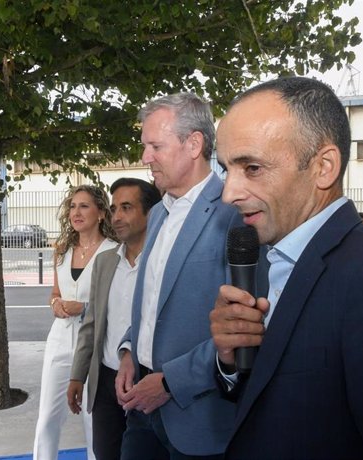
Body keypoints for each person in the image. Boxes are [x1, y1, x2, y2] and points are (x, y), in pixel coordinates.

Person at [210, 76, 363, 459]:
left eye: (253, 168)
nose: (229, 193)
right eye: (227, 169)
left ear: (323, 167)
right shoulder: (267, 256)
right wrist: (230, 360)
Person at [115, 93, 242, 460]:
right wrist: (128, 352)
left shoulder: (234, 214)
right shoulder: (157, 215)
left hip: (199, 419)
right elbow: (151, 304)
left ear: (194, 144)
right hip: (141, 410)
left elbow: (248, 326)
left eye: (155, 146)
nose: (145, 158)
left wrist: (171, 382)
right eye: (144, 146)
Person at [67, 178, 161, 460]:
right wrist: (77, 376)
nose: (116, 216)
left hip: (145, 381)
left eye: (127, 207)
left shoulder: (160, 262)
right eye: (114, 208)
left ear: (150, 213)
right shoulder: (105, 261)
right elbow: (91, 324)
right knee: (105, 453)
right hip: (106, 382)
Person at [33, 185, 119, 460]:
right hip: (59, 341)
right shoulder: (62, 251)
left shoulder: (114, 251)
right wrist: (55, 304)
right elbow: (55, 294)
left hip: (95, 345)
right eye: (72, 206)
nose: (76, 212)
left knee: (93, 421)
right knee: (47, 417)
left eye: (84, 206)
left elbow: (118, 303)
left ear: (102, 213)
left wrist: (83, 307)